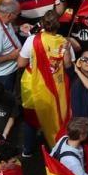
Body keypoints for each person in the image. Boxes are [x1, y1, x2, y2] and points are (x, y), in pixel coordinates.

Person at [18, 9, 72, 156]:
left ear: (42, 24)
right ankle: (56, 148)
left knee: (31, 118)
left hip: (33, 85)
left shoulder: (32, 40)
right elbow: (68, 66)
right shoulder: (64, 43)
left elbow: (21, 63)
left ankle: (28, 150)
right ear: (58, 25)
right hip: (56, 87)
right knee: (55, 117)